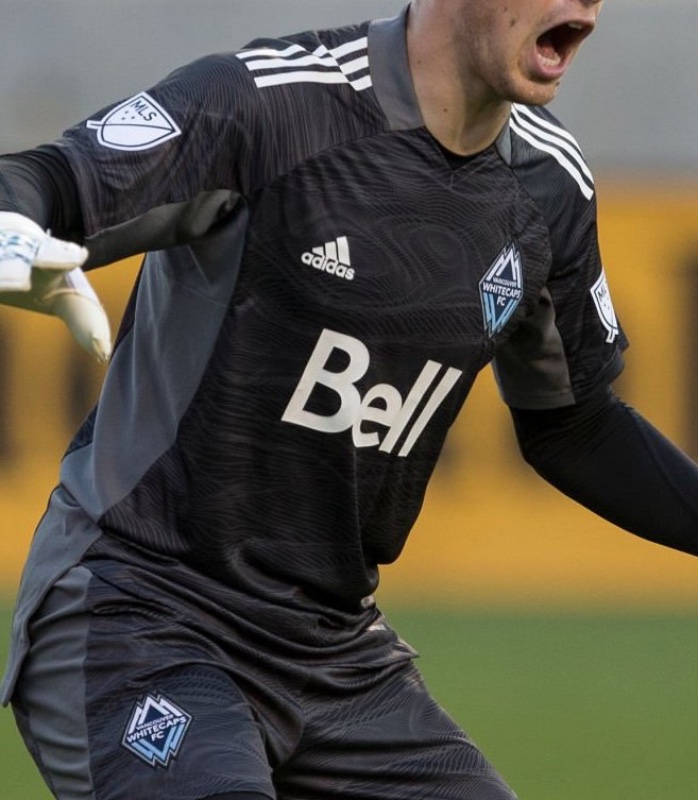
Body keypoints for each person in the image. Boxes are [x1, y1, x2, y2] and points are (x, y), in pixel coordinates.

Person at [2, 1, 698, 798]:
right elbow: (47, 178)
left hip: (330, 653)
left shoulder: (548, 188)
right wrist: (13, 228)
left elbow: (574, 426)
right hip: (138, 610)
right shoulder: (266, 105)